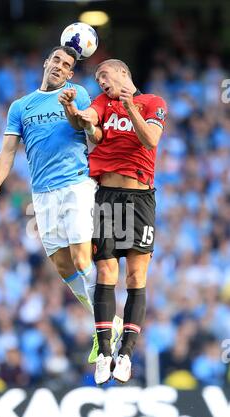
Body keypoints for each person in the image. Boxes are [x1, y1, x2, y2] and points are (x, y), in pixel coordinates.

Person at [0, 47, 121, 363]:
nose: (59, 66)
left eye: (66, 65)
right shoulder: (20, 106)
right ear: (46, 64)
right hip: (42, 194)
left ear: (71, 74)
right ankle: (110, 321)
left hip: (76, 184)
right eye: (56, 60)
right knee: (62, 265)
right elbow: (8, 151)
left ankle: (104, 328)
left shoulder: (77, 93)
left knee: (82, 256)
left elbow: (85, 130)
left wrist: (72, 108)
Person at [59, 59, 167, 384]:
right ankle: (104, 351)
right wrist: (75, 111)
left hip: (140, 199)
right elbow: (87, 122)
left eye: (104, 75)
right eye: (97, 78)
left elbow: (150, 140)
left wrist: (129, 107)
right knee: (106, 271)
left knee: (136, 277)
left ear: (123, 73)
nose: (102, 82)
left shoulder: (153, 103)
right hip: (107, 196)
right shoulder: (102, 103)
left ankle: (127, 354)